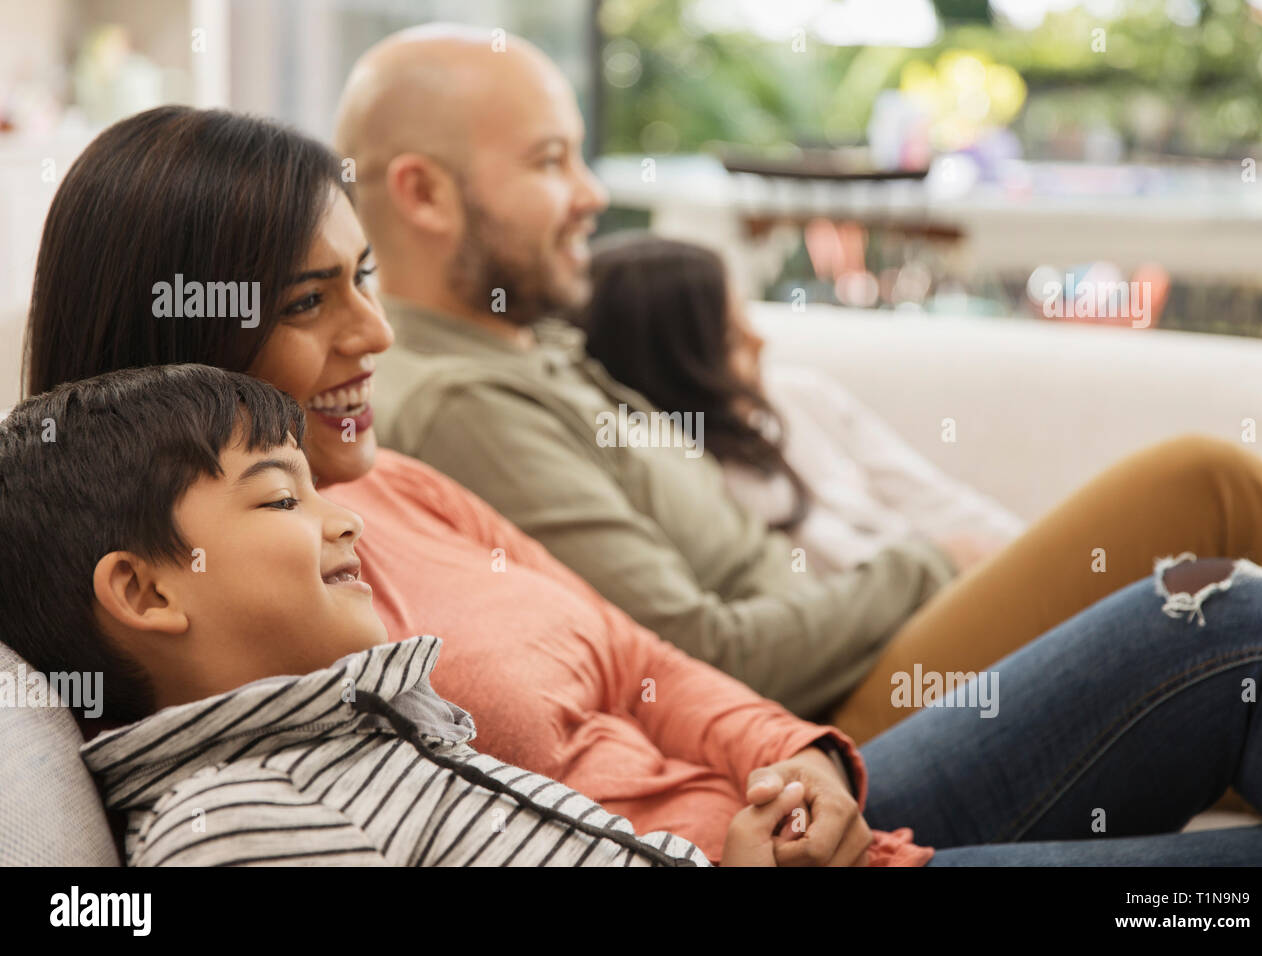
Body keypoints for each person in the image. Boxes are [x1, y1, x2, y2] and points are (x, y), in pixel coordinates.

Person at [336, 24, 1262, 744]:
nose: (592, 193)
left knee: (1232, 635)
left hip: (862, 661)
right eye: (551, 161)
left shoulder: (526, 349)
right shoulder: (465, 402)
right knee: (1203, 489)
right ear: (422, 193)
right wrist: (926, 564)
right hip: (835, 716)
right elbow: (696, 654)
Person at [24, 105, 910, 868]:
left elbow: (646, 661)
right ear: (177, 341)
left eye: (363, 278)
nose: (376, 333)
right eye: (306, 303)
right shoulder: (265, 622)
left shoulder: (400, 484)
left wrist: (801, 758)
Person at [7, 367, 1262, 866]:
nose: (371, 330)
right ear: (144, 587)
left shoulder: (359, 714)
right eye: (284, 495)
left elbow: (642, 658)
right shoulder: (242, 812)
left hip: (768, 813)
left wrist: (782, 773)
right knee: (1225, 600)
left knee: (1226, 620)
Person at [0, 363, 803, 867]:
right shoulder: (230, 824)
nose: (349, 523)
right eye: (282, 497)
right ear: (146, 594)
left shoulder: (348, 740)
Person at [579, 232, 1025, 578]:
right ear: (675, 371)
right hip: (916, 629)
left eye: (747, 319)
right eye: (732, 340)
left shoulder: (799, 397)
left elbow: (932, 497)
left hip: (974, 583)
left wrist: (1028, 556)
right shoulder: (696, 484)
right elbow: (838, 585)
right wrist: (948, 563)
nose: (761, 342)